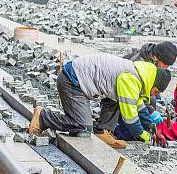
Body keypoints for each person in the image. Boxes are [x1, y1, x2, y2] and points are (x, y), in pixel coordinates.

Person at [28, 53, 166, 149]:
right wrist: (143, 136)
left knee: (118, 99)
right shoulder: (132, 79)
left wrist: (153, 130)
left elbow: (139, 108)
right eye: (156, 91)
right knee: (82, 127)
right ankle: (43, 117)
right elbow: (130, 117)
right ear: (153, 83)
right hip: (72, 81)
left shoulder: (139, 75)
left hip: (80, 79)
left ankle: (103, 132)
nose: (154, 95)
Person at [112, 41, 177, 140]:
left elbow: (152, 85)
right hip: (118, 92)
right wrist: (151, 112)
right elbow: (136, 96)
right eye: (165, 64)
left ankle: (146, 129)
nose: (165, 68)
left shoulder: (153, 60)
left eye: (168, 66)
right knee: (147, 103)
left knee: (152, 99)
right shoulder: (139, 62)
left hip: (128, 90)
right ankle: (123, 131)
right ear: (156, 57)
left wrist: (157, 99)